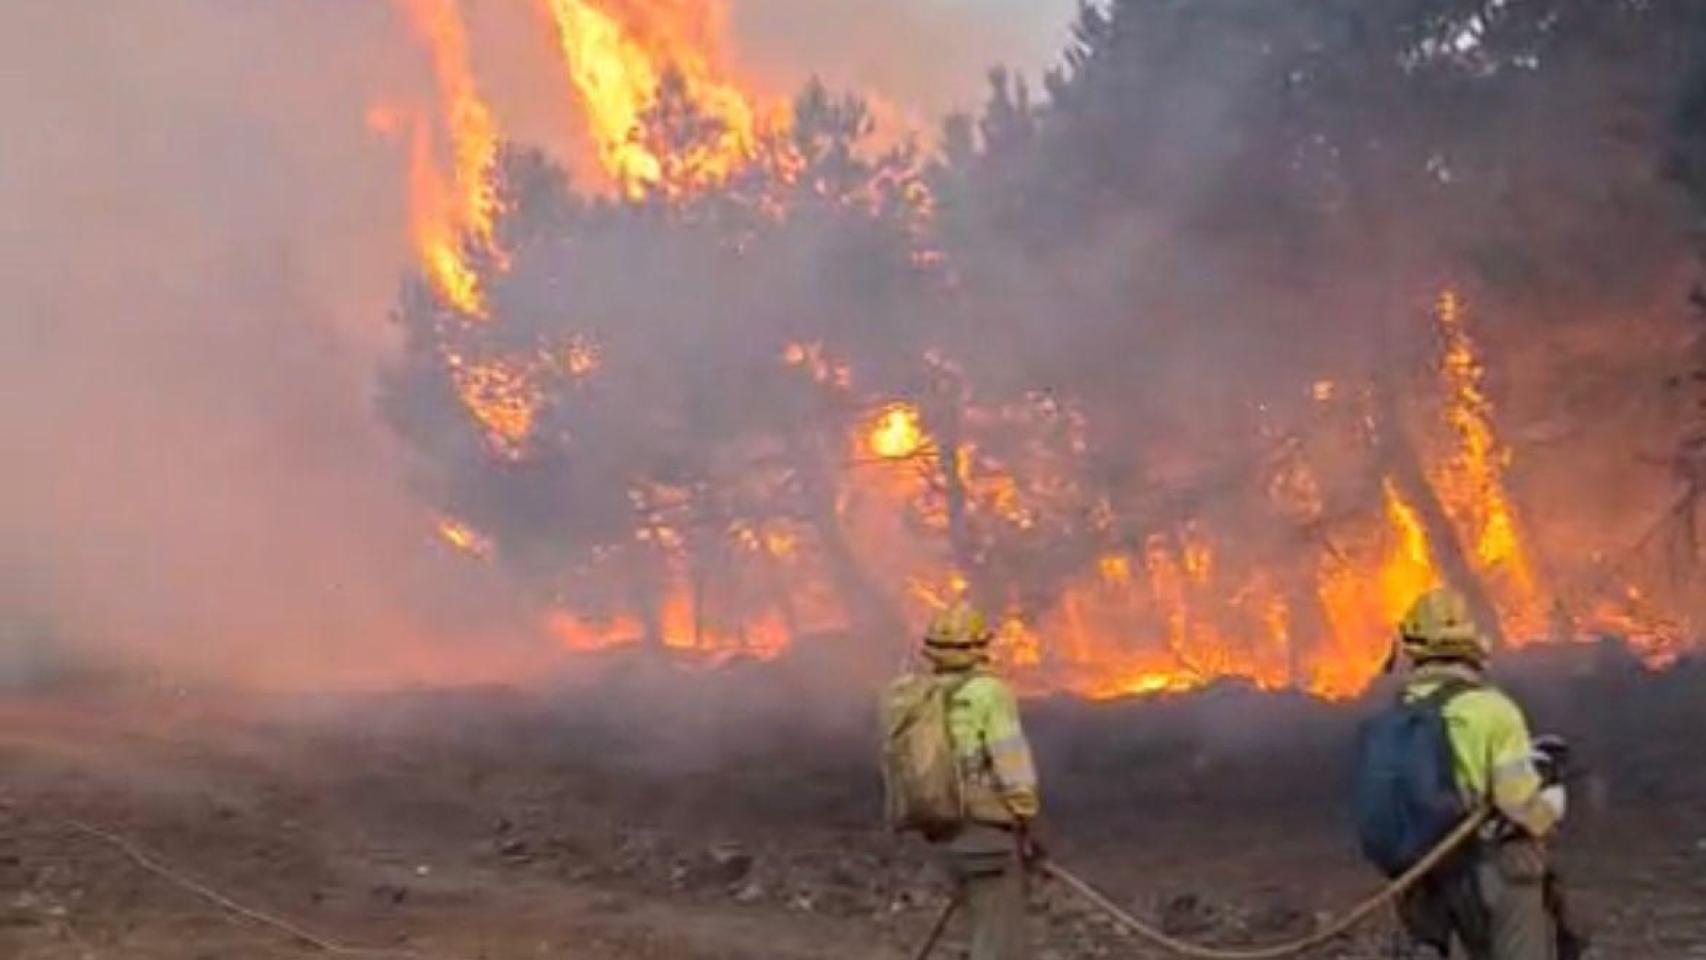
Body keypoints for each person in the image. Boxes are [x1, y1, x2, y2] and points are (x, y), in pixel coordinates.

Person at [1390, 587, 1572, 960]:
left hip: (1422, 878)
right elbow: (1516, 803)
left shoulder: (1400, 714)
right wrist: (1551, 805)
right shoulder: (1493, 711)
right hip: (1491, 871)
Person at [922, 602, 1041, 960]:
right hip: (985, 831)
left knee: (977, 927)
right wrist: (1025, 816)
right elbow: (1011, 760)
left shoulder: (918, 694)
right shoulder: (988, 692)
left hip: (941, 826)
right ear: (978, 647)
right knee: (1000, 943)